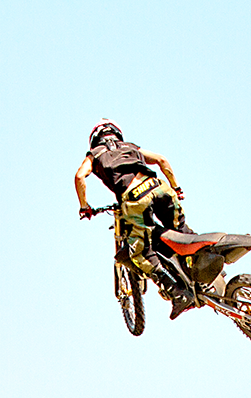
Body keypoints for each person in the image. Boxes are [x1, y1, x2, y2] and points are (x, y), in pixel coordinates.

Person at [73, 121, 194, 319]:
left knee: (139, 253)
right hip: (159, 187)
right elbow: (162, 160)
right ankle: (201, 265)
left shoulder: (94, 154)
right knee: (181, 232)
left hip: (135, 198)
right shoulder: (131, 147)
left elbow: (80, 177)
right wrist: (176, 187)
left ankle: (177, 292)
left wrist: (85, 207)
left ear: (95, 140)